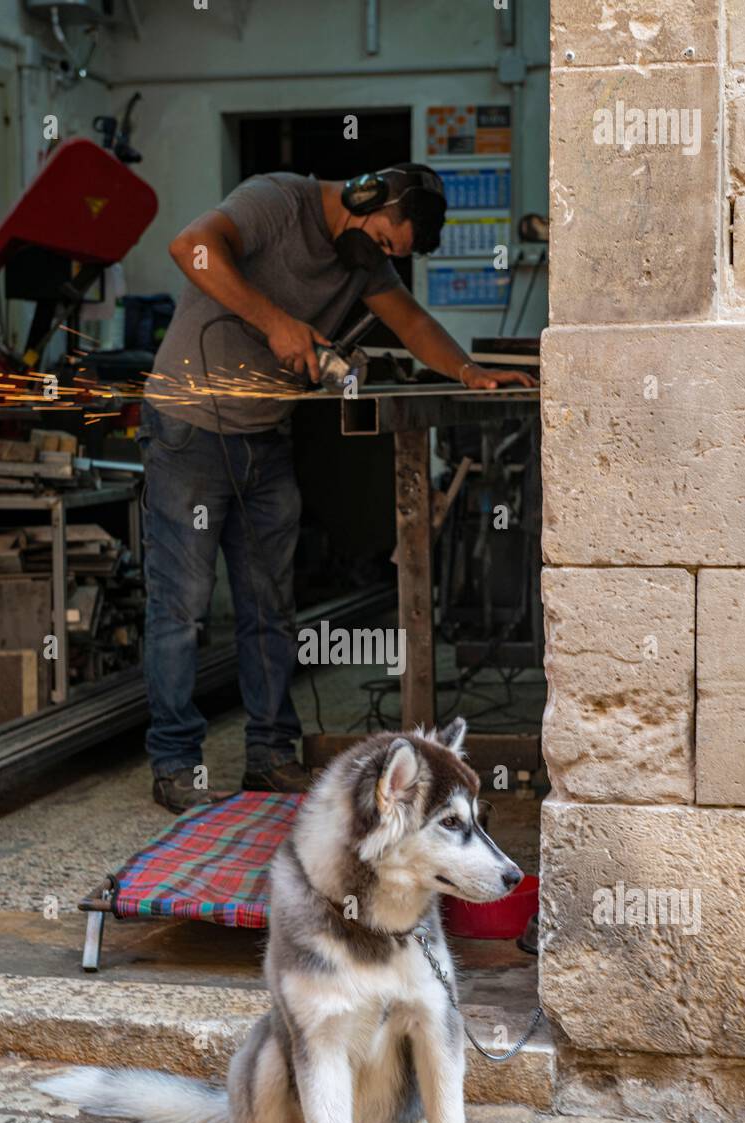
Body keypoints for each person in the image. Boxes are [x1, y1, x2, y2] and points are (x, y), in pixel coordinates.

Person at [140, 163, 535, 812]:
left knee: (270, 604)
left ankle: (269, 755)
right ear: (364, 196)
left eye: (392, 253)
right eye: (382, 241)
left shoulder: (363, 257)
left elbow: (408, 319)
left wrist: (468, 370)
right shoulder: (275, 201)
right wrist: (275, 321)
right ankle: (176, 764)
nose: (379, 258)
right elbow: (192, 247)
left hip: (265, 436)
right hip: (188, 432)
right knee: (181, 608)